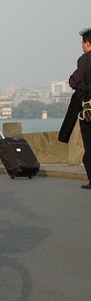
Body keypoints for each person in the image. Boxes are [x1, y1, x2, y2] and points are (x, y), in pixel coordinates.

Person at [60, 27, 91, 189]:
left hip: (88, 111)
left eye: (83, 43)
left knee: (89, 147)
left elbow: (74, 81)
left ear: (88, 43)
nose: (82, 46)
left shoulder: (85, 60)